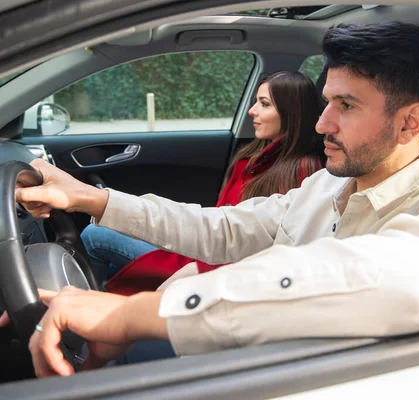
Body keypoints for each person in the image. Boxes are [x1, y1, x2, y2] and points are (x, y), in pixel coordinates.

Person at [8, 21, 419, 378]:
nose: (321, 125)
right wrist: (92, 198)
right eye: (326, 104)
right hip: (234, 361)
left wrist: (134, 313)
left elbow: (413, 282)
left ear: (409, 122)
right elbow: (224, 228)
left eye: (346, 106)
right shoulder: (326, 185)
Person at [80, 71, 324, 290]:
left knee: (95, 234)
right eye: (255, 102)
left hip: (213, 262)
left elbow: (270, 247)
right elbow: (220, 221)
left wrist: (201, 269)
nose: (252, 110)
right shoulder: (252, 156)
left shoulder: (301, 170)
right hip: (206, 247)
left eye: (264, 104)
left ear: (291, 113)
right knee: (107, 246)